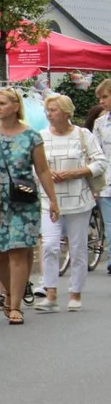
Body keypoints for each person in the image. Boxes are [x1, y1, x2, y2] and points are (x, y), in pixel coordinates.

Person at [0, 89, 59, 324]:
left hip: (23, 200)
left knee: (17, 251)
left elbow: (43, 170)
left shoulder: (32, 136)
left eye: (3, 103)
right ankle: (10, 291)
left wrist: (53, 200)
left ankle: (15, 305)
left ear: (15, 106)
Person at [35, 93, 107, 313]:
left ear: (66, 112)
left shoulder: (82, 135)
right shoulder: (41, 136)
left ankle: (76, 292)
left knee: (77, 248)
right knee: (49, 245)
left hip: (79, 199)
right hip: (50, 199)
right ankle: (51, 293)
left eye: (54, 110)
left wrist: (78, 172)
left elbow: (101, 162)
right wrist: (46, 175)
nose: (49, 115)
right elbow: (33, 166)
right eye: (47, 110)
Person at [92, 80, 111, 275]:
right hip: (106, 181)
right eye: (100, 98)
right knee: (110, 223)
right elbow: (95, 153)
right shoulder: (100, 123)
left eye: (105, 96)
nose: (102, 101)